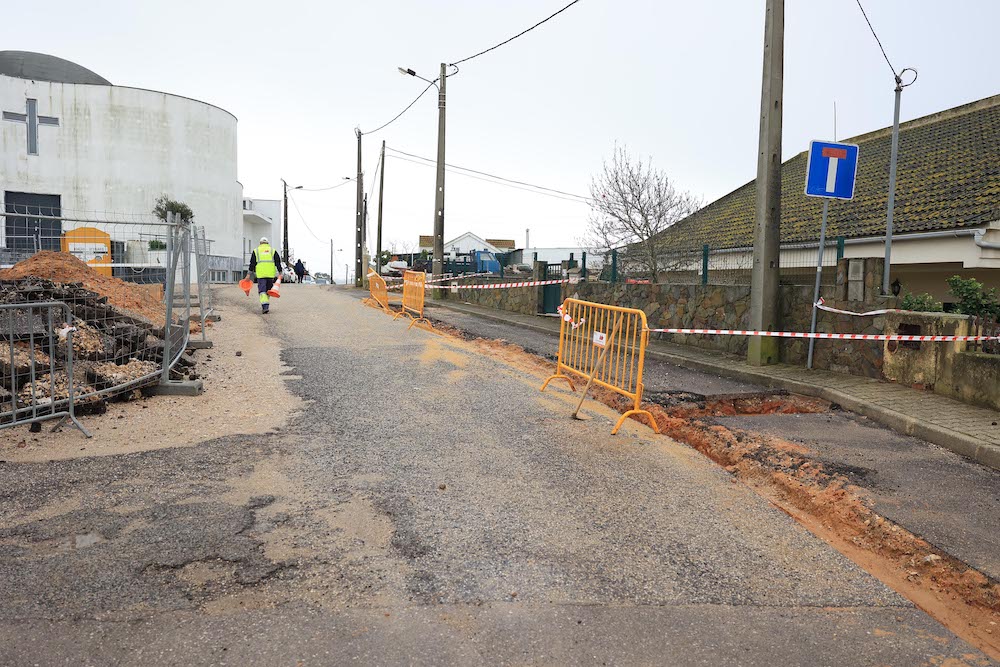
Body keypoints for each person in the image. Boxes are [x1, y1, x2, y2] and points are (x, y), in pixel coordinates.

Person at [247, 237, 283, 314]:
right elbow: (278, 262)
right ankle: (265, 305)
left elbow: (252, 264)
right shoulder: (272, 251)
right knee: (268, 291)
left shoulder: (256, 251)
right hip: (270, 275)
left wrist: (248, 275)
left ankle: (265, 305)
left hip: (261, 275)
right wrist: (280, 272)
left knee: (262, 291)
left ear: (260, 243)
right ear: (267, 243)